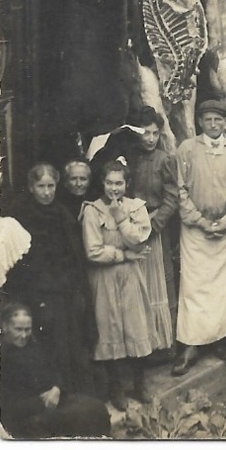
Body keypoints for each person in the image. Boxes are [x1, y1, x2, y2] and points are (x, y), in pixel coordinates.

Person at [172, 100, 226, 376]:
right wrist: (200, 221)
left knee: (224, 289)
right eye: (207, 120)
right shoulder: (186, 150)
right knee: (194, 288)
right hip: (196, 230)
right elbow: (180, 190)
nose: (212, 125)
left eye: (217, 120)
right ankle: (191, 345)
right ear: (199, 122)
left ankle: (221, 339)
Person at [4, 162, 97, 396]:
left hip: (63, 290)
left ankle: (71, 392)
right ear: (31, 187)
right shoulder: (20, 215)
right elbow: (20, 263)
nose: (47, 192)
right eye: (41, 186)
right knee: (47, 343)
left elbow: (73, 256)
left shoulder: (62, 214)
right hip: (36, 293)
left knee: (70, 343)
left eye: (51, 186)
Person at [82, 159, 158, 411]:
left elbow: (140, 239)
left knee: (136, 327)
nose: (114, 189)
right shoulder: (92, 210)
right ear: (102, 183)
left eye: (119, 183)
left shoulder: (136, 208)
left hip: (131, 276)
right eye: (109, 183)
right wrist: (122, 254)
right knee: (110, 328)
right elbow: (93, 251)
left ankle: (139, 384)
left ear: (127, 184)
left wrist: (121, 219)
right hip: (104, 277)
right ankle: (116, 388)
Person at [0, 302, 110, 440]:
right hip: (27, 416)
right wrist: (43, 401)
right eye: (18, 329)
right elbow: (7, 406)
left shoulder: (33, 346)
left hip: (53, 400)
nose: (23, 335)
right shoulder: (1, 357)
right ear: (5, 327)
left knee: (96, 407)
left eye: (27, 329)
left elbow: (55, 370)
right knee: (81, 416)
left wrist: (57, 389)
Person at [129, 108, 179, 354]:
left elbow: (172, 196)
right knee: (141, 284)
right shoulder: (130, 158)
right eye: (145, 133)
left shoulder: (165, 159)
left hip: (157, 226)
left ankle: (167, 344)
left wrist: (156, 223)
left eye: (154, 133)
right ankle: (145, 345)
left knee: (164, 281)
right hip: (134, 227)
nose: (149, 138)